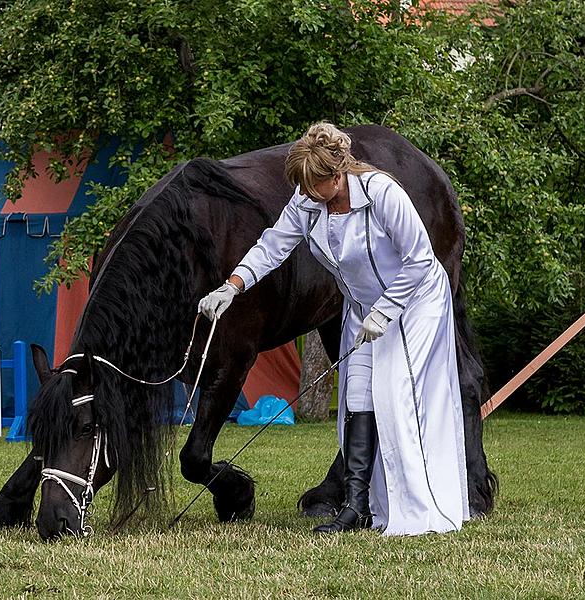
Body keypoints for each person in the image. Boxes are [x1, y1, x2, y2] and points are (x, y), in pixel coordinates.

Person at [198, 122, 468, 536]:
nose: (304, 195)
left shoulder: (382, 193)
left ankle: (420, 508)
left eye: (312, 186)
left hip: (414, 303)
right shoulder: (307, 201)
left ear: (337, 176)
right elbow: (273, 245)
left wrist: (386, 311)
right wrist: (230, 288)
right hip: (363, 307)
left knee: (395, 395)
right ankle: (356, 508)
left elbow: (419, 260)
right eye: (301, 187)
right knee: (357, 397)